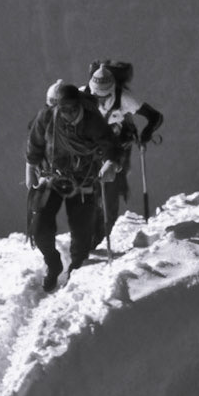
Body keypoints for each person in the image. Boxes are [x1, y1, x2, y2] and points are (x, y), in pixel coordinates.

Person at [25, 80, 125, 292]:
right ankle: (53, 265)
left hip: (84, 182)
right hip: (52, 178)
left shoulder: (92, 121)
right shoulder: (47, 117)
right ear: (57, 108)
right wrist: (30, 170)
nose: (69, 113)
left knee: (81, 238)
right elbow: (35, 143)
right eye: (64, 109)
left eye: (72, 109)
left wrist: (110, 163)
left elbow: (110, 145)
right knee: (40, 229)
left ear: (80, 104)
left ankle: (75, 274)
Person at [86, 59, 163, 237]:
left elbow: (155, 117)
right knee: (97, 189)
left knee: (109, 189)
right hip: (95, 145)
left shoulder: (125, 98)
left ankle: (99, 235)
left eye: (104, 95)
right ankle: (93, 235)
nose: (101, 98)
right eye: (97, 95)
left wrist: (145, 134)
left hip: (117, 145)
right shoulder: (85, 94)